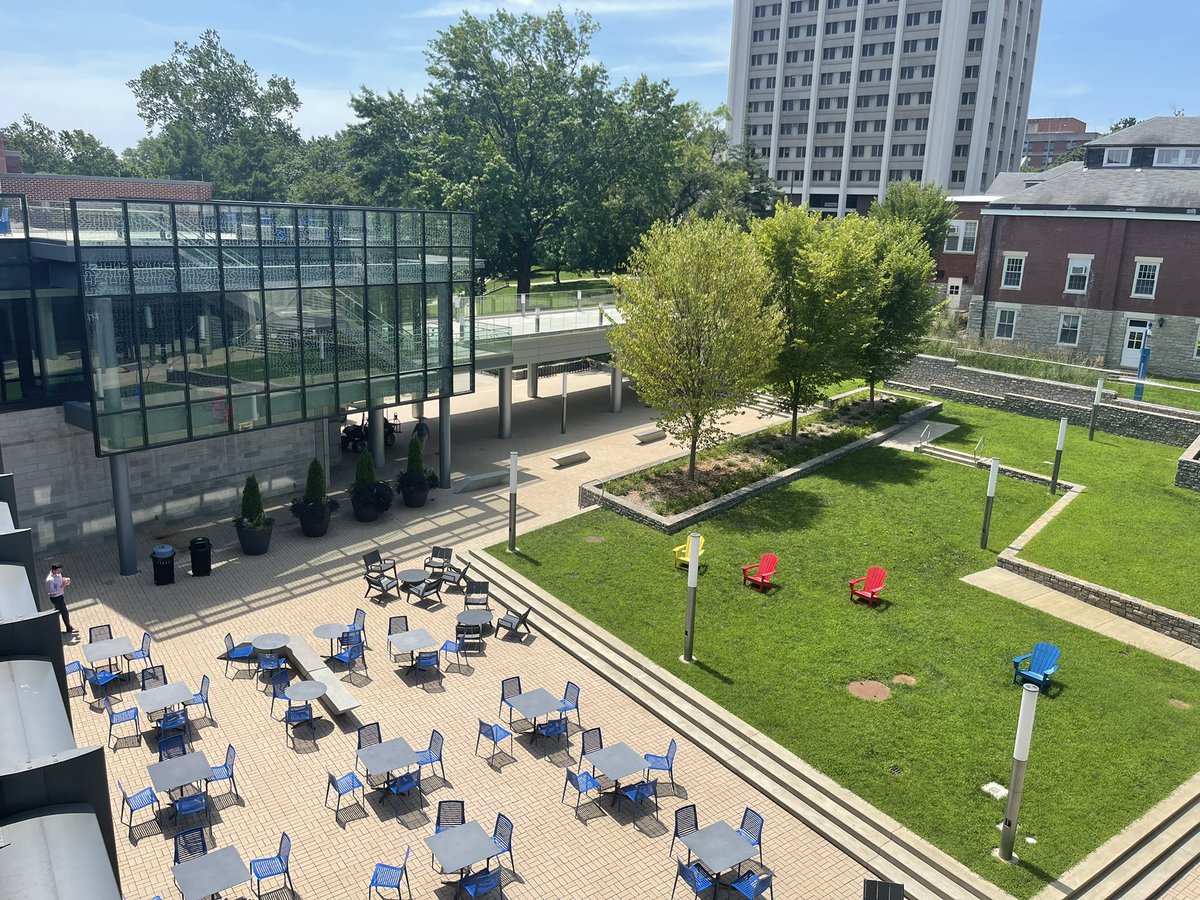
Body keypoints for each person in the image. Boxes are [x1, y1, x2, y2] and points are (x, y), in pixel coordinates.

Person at [45, 563, 77, 634]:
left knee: (58, 611)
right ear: (54, 570)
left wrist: (64, 580)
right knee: (64, 612)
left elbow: (60, 579)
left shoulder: (58, 574)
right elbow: (53, 592)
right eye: (58, 570)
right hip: (56, 598)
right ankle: (69, 628)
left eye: (60, 570)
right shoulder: (50, 580)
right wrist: (63, 585)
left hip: (60, 596)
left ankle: (49, 624)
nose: (60, 572)